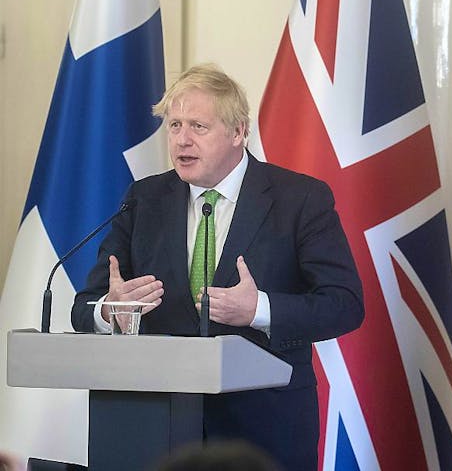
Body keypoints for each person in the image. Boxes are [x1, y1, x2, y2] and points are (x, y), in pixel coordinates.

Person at [70, 64, 364, 470]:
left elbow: (344, 304)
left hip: (264, 430)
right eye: (174, 126)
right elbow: (84, 307)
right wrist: (109, 310)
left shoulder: (299, 199)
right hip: (156, 428)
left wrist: (259, 309)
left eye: (198, 126)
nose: (182, 140)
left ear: (238, 132)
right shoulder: (143, 199)